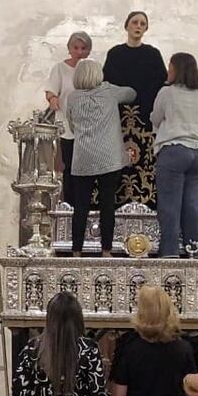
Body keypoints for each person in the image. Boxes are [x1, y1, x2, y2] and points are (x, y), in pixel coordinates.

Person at [67, 59, 136, 257]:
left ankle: (76, 251)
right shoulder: (109, 92)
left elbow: (71, 126)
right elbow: (132, 93)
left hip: (82, 158)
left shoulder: (72, 98)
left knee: (80, 206)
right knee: (107, 205)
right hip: (109, 157)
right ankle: (106, 250)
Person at [151, 52, 198, 257]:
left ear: (176, 70)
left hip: (173, 149)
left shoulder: (167, 92)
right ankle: (197, 252)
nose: (168, 71)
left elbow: (155, 116)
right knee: (195, 205)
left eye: (170, 68)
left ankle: (170, 253)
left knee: (170, 205)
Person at [103, 10, 168, 208]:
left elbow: (161, 85)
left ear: (146, 28)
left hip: (146, 120)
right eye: (135, 22)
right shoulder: (115, 54)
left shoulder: (153, 54)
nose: (138, 26)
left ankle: (146, 206)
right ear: (127, 26)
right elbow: (107, 85)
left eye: (142, 23)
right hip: (119, 120)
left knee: (145, 163)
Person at [45, 31, 93, 206]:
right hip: (66, 126)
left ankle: (85, 204)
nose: (79, 52)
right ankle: (70, 205)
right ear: (69, 49)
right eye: (76, 48)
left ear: (89, 51)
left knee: (86, 168)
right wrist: (53, 99)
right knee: (70, 167)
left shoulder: (92, 69)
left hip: (87, 127)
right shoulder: (60, 68)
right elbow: (51, 90)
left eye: (84, 48)